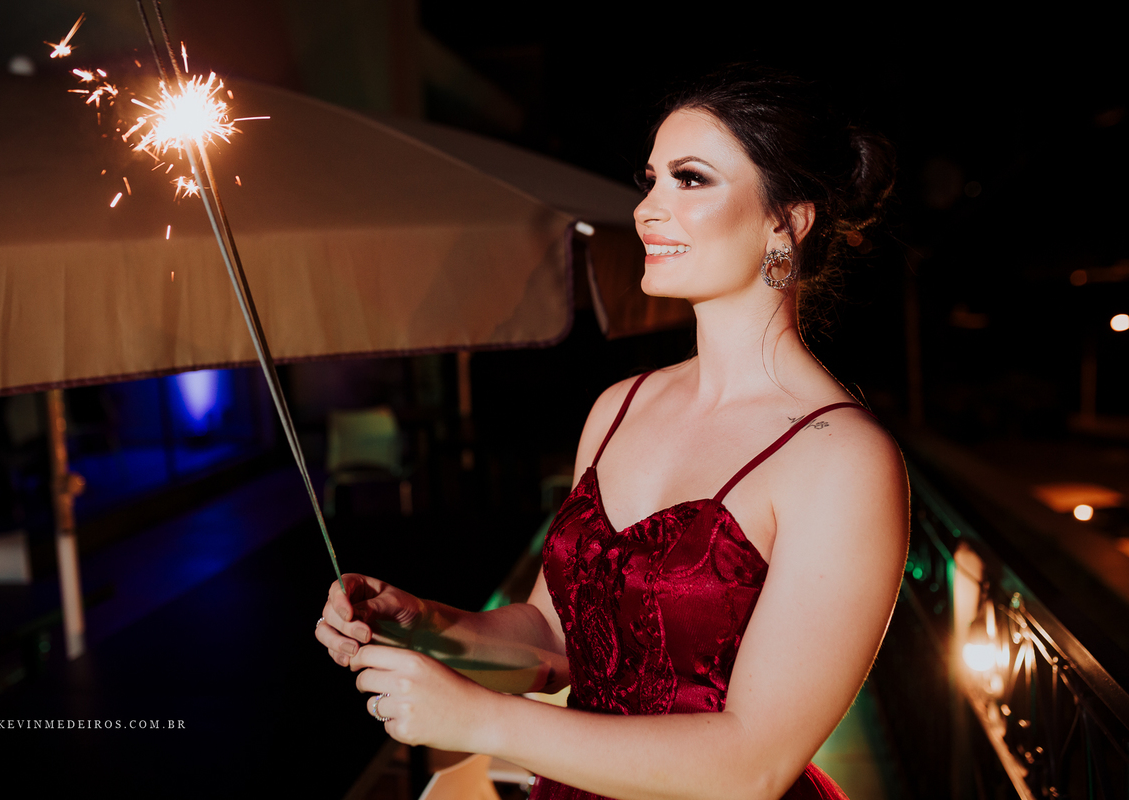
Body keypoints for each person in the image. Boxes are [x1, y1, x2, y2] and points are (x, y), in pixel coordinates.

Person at [316, 65, 908, 800]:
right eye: (651, 178)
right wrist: (424, 625)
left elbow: (754, 765)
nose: (647, 209)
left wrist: (483, 722)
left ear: (787, 219)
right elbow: (553, 642)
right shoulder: (617, 407)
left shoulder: (843, 459)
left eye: (689, 180)